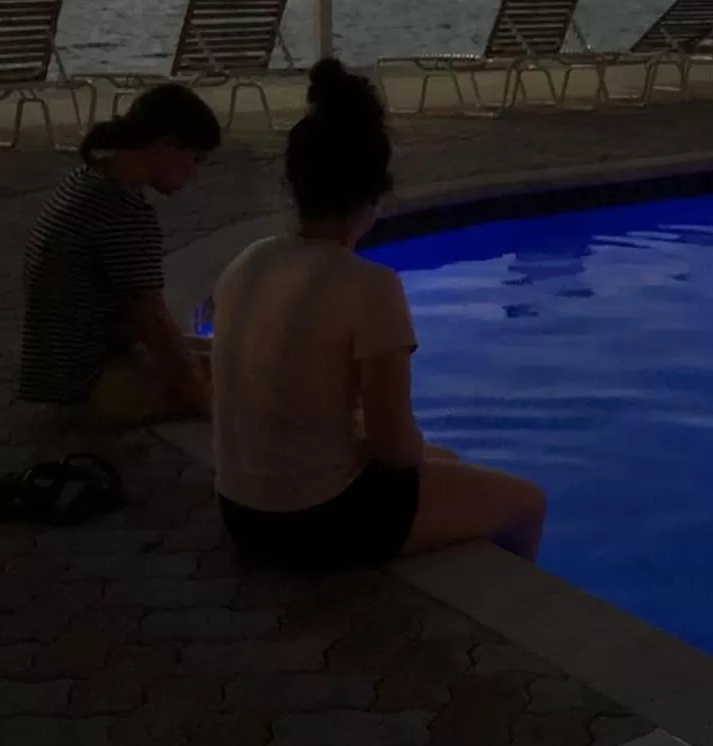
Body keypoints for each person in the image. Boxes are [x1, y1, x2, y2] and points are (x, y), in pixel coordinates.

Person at [210, 59, 546, 572]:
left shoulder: (247, 262)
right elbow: (394, 448)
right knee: (525, 503)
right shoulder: (370, 287)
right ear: (375, 194)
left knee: (447, 464)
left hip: (240, 512)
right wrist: (421, 452)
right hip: (312, 521)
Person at [19, 83, 221, 425]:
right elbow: (152, 321)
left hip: (57, 367)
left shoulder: (87, 180)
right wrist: (207, 403)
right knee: (241, 384)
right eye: (194, 159)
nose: (195, 173)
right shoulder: (122, 210)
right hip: (90, 382)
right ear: (167, 145)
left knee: (217, 358)